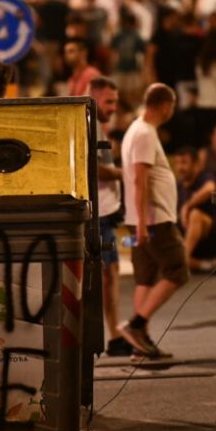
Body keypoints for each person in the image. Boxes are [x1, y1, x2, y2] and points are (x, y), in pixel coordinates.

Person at [118, 83, 188, 359]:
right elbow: (140, 180)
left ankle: (140, 345)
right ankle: (136, 326)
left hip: (140, 220)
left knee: (145, 278)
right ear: (165, 105)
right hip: (154, 219)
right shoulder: (145, 133)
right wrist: (145, 224)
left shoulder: (136, 130)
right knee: (177, 270)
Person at [87, 77, 131, 356]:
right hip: (100, 214)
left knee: (110, 274)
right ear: (94, 97)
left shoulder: (96, 125)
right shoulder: (91, 125)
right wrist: (126, 174)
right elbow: (98, 169)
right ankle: (113, 334)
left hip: (105, 212)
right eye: (109, 101)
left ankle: (113, 332)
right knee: (107, 275)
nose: (113, 107)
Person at [174, 147, 216, 271]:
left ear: (196, 164)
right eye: (178, 163)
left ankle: (181, 261)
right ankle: (205, 266)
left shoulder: (205, 177)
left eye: (184, 163)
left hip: (212, 239)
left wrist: (188, 206)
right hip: (189, 241)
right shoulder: (178, 186)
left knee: (195, 214)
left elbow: (209, 189)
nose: (180, 167)